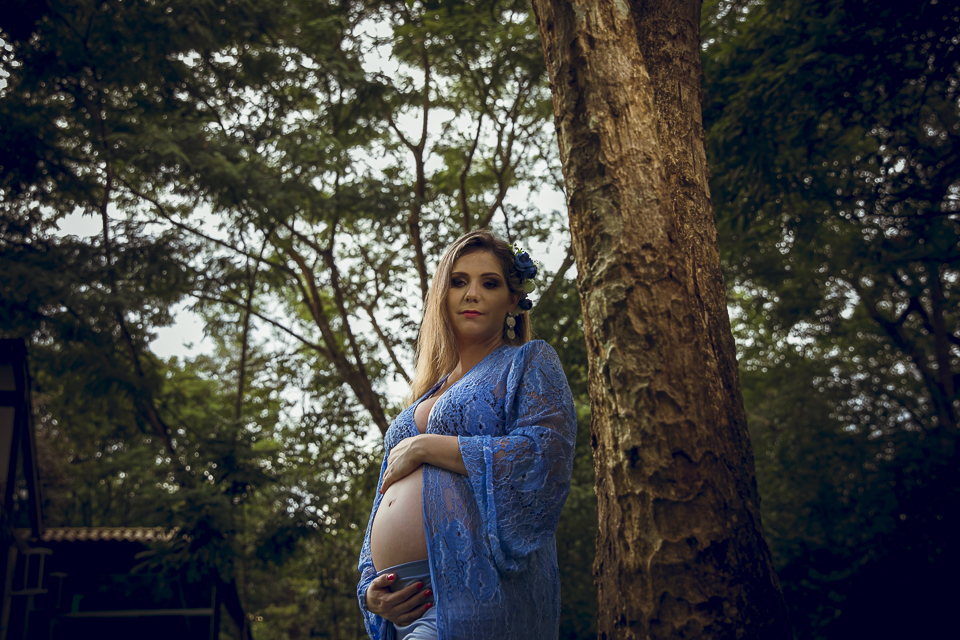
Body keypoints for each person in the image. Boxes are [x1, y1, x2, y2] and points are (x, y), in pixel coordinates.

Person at [356, 230, 577, 640]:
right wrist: (370, 589)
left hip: (478, 592)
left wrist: (427, 446)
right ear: (442, 295)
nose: (471, 294)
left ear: (512, 300)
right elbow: (383, 493)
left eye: (489, 283)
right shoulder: (428, 391)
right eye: (458, 281)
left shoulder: (527, 362)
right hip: (401, 603)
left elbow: (543, 458)